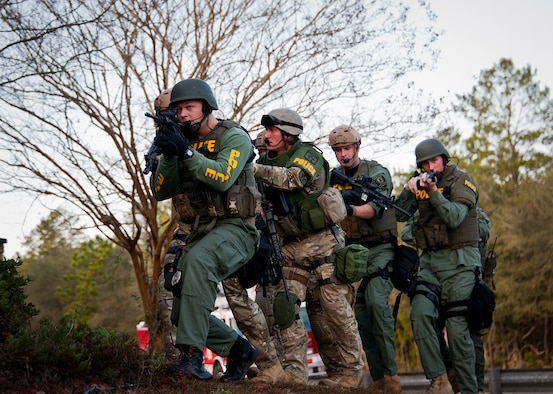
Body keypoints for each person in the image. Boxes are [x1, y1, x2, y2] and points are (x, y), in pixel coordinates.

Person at [150, 78, 260, 382]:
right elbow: (161, 191)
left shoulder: (233, 136)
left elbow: (223, 177)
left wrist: (186, 153)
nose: (183, 114)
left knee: (198, 262)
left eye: (189, 107)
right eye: (178, 110)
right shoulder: (179, 140)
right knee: (181, 308)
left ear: (206, 106)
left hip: (237, 228)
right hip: (199, 231)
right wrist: (170, 154)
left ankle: (191, 359)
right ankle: (239, 350)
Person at [253, 109, 364, 387]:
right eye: (266, 131)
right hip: (289, 248)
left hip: (324, 244)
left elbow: (294, 178)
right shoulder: (263, 160)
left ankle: (348, 373)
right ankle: (294, 375)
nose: (267, 136)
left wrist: (253, 169)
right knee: (283, 308)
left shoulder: (308, 155)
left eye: (273, 131)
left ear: (289, 135)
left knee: (332, 311)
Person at [394, 138, 481, 393]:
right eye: (424, 163)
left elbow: (454, 217)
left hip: (461, 264)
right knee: (421, 315)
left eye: (434, 161)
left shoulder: (462, 181)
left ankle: (467, 390)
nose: (429, 166)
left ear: (444, 158)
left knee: (457, 330)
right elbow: (399, 214)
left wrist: (433, 192)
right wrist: (409, 190)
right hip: (431, 263)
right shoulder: (420, 182)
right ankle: (440, 379)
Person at [328, 125, 402, 393]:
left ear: (358, 146)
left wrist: (347, 208)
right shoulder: (330, 177)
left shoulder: (376, 173)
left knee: (376, 304)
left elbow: (374, 209)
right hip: (350, 254)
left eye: (347, 149)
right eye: (338, 150)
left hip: (379, 249)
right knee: (360, 315)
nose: (343, 155)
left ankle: (392, 377)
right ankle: (379, 378)